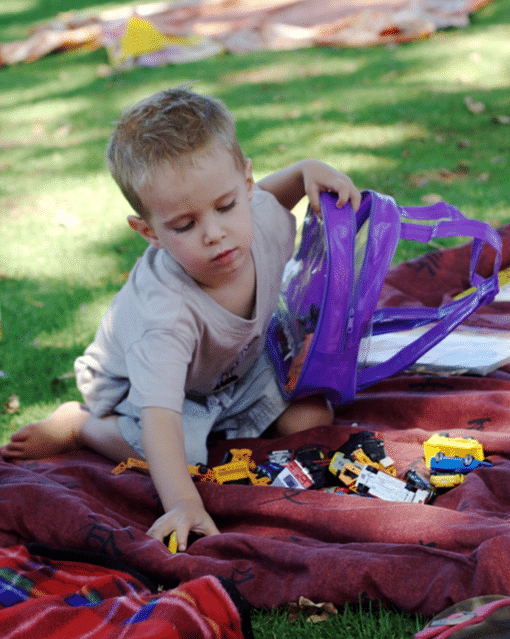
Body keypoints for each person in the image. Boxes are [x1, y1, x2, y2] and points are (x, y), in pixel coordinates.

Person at [1, 87, 360, 550]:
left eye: (226, 206)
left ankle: (231, 420)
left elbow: (277, 193)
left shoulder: (263, 218)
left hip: (236, 369)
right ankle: (83, 426)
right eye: (185, 225)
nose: (215, 234)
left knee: (312, 422)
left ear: (246, 186)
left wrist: (308, 171)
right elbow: (161, 419)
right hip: (151, 393)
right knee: (182, 459)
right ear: (149, 232)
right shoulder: (165, 315)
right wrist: (183, 504)